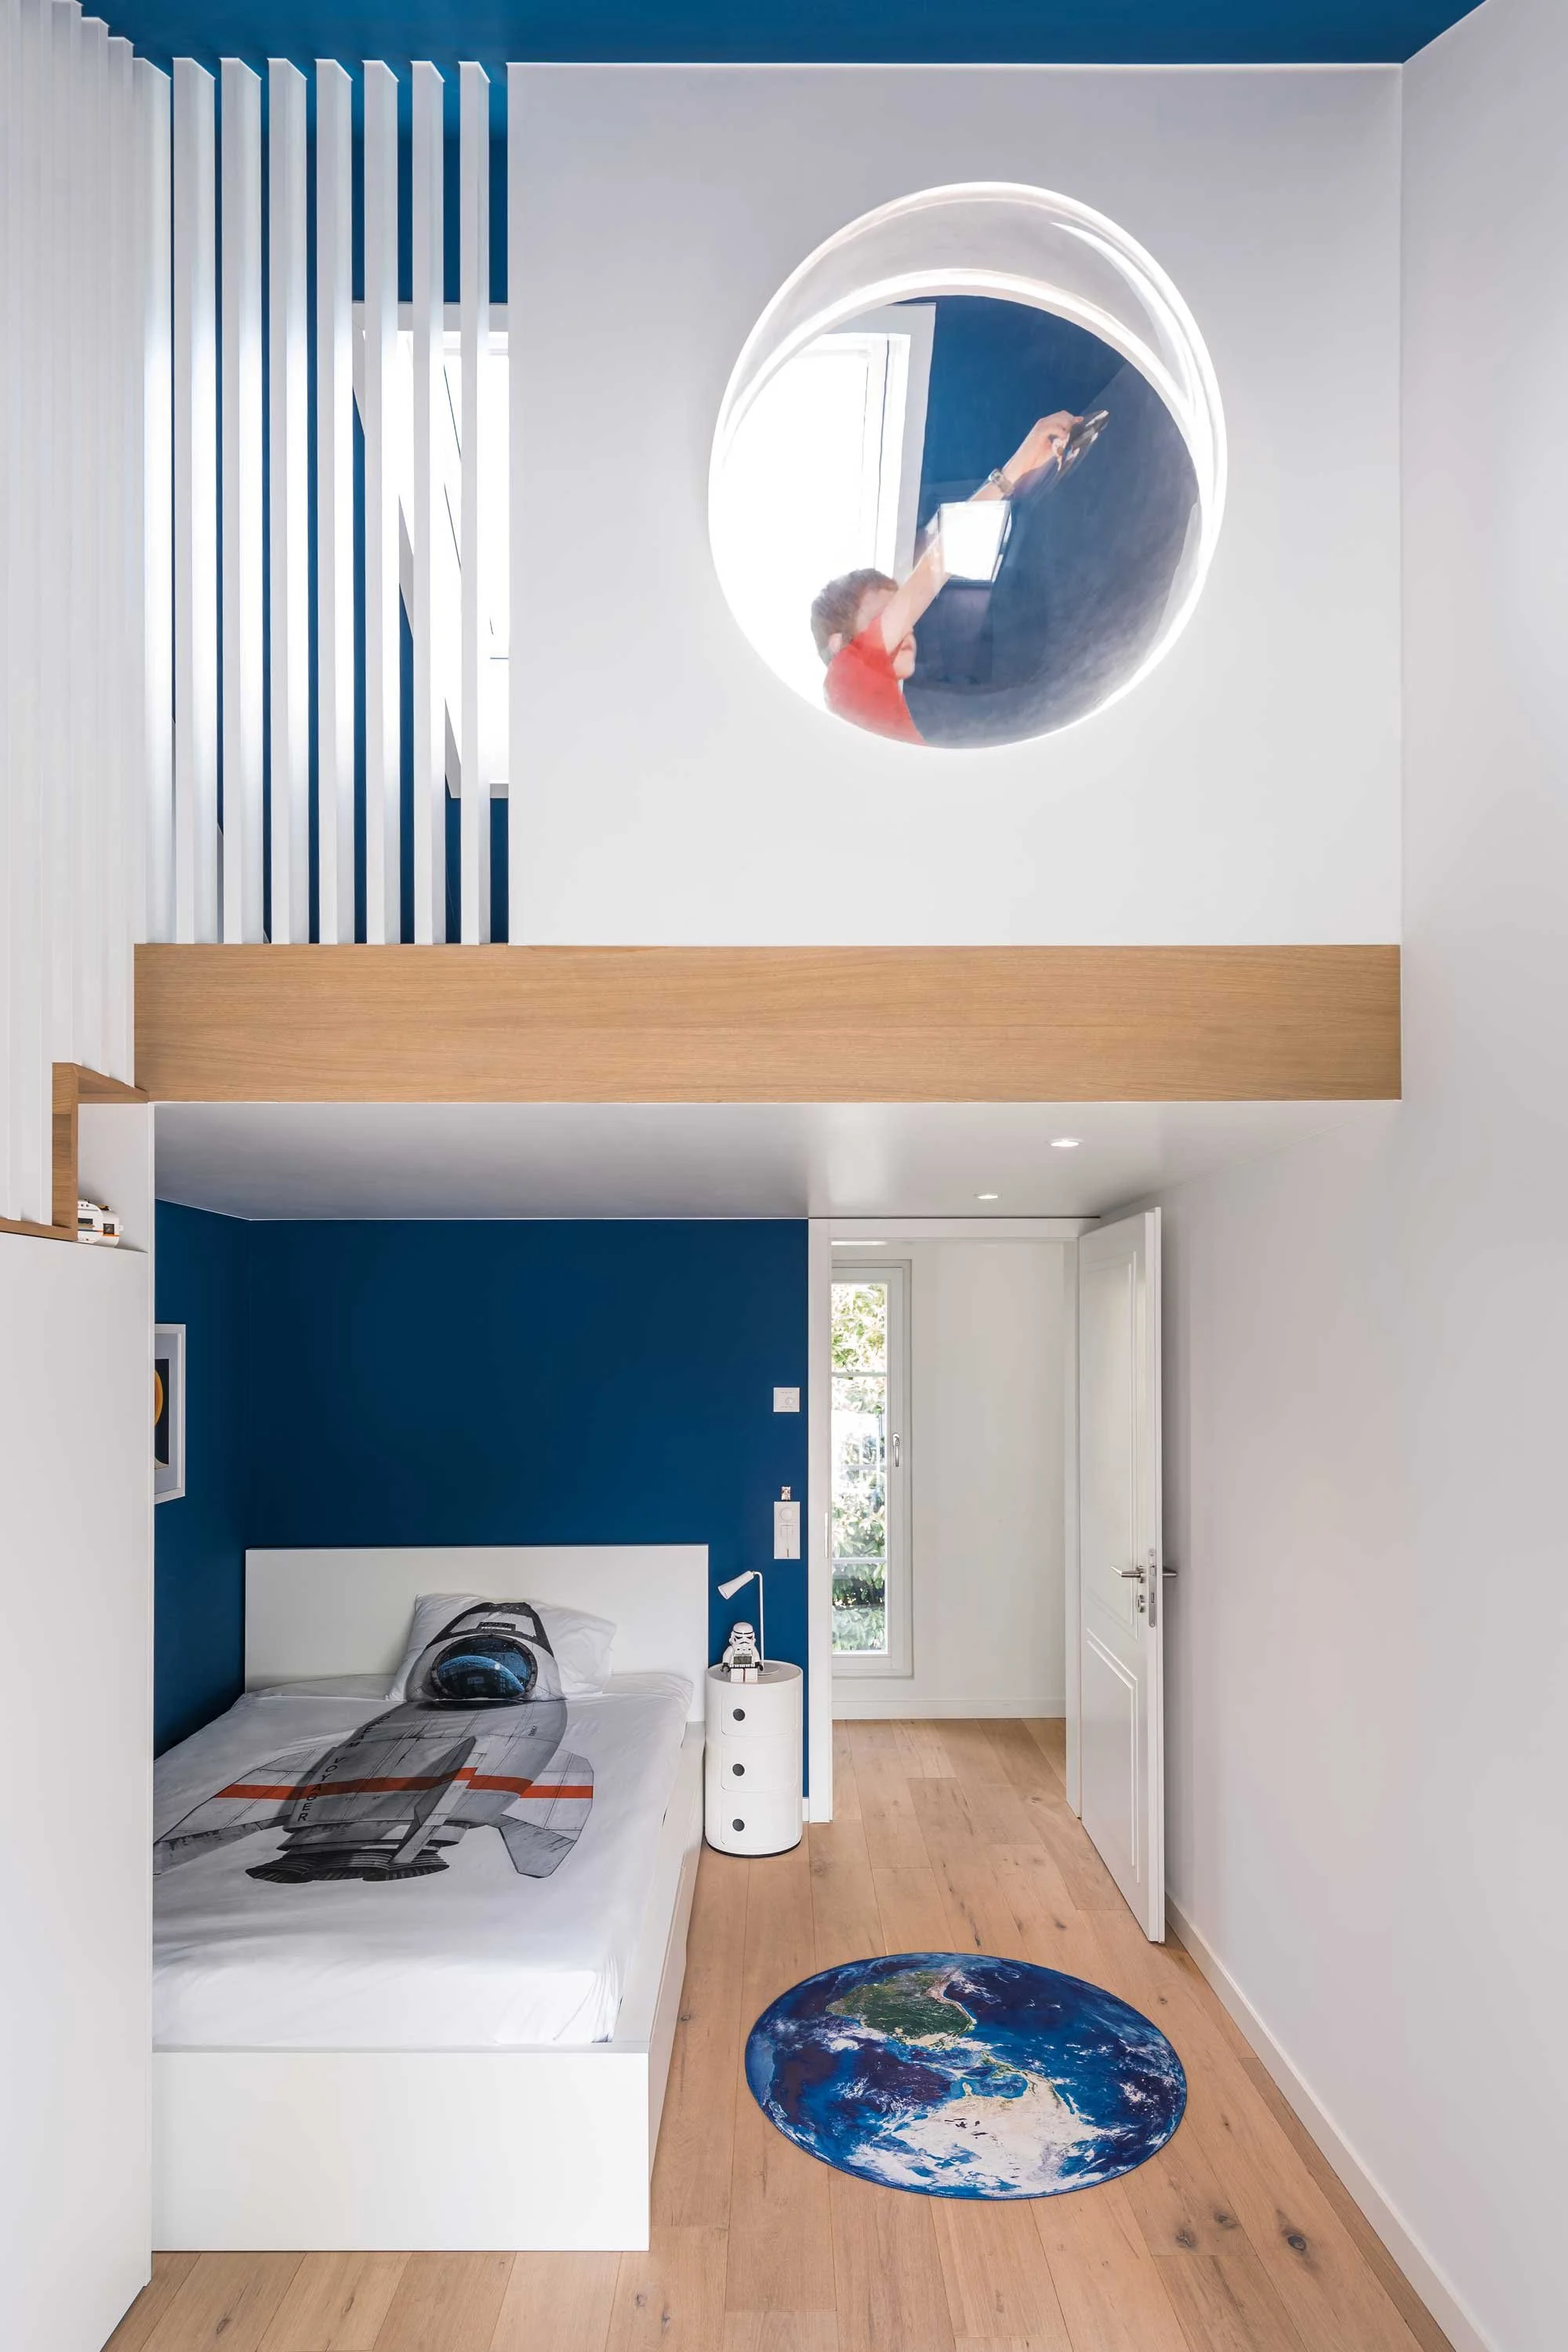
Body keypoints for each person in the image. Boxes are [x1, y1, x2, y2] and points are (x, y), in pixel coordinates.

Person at [810, 409, 1084, 745]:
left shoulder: (883, 723)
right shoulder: (844, 680)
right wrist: (1015, 469)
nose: (907, 626)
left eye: (903, 617)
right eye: (887, 618)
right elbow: (937, 564)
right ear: (840, 646)